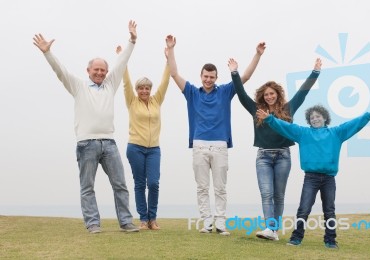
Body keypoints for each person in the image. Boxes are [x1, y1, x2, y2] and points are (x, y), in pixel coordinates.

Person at [33, 20, 139, 234]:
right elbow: (60, 71)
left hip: (109, 143)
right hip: (86, 144)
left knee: (120, 184)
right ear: (88, 70)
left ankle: (126, 222)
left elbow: (122, 62)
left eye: (103, 70)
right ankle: (93, 224)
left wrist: (132, 41)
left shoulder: (110, 85)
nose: (100, 73)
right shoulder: (79, 86)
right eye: (96, 70)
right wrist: (47, 53)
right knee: (87, 186)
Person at [165, 35, 265, 236]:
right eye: (205, 76)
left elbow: (244, 77)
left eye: (212, 77)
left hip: (220, 145)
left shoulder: (225, 91)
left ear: (216, 78)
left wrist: (257, 55)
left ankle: (220, 223)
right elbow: (174, 74)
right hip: (199, 145)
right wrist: (171, 50)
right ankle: (207, 223)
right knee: (202, 187)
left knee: (220, 187)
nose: (208, 79)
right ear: (201, 76)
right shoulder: (192, 92)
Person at [256, 105, 370, 248]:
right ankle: (296, 238)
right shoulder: (303, 133)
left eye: (318, 116)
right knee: (303, 209)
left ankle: (330, 241)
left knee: (329, 210)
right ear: (309, 121)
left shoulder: (336, 133)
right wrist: (270, 119)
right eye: (312, 117)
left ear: (324, 118)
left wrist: (369, 115)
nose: (315, 119)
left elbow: (352, 124)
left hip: (329, 179)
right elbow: (285, 126)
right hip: (310, 178)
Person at [228, 57, 321, 241]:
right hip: (263, 156)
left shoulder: (288, 108)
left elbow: (304, 91)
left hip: (283, 156)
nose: (269, 97)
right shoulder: (256, 110)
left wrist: (315, 71)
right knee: (266, 193)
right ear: (263, 96)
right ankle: (270, 228)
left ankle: (274, 231)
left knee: (278, 195)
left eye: (272, 93)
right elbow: (240, 93)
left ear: (277, 94)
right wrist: (234, 72)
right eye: (266, 95)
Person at [115, 45, 170, 230]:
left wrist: (169, 58)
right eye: (141, 88)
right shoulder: (131, 100)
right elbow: (126, 82)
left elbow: (165, 80)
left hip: (154, 148)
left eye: (147, 88)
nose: (144, 91)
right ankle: (143, 219)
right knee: (139, 183)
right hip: (135, 147)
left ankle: (153, 219)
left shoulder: (156, 100)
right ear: (137, 90)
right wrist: (122, 59)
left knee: (153, 183)